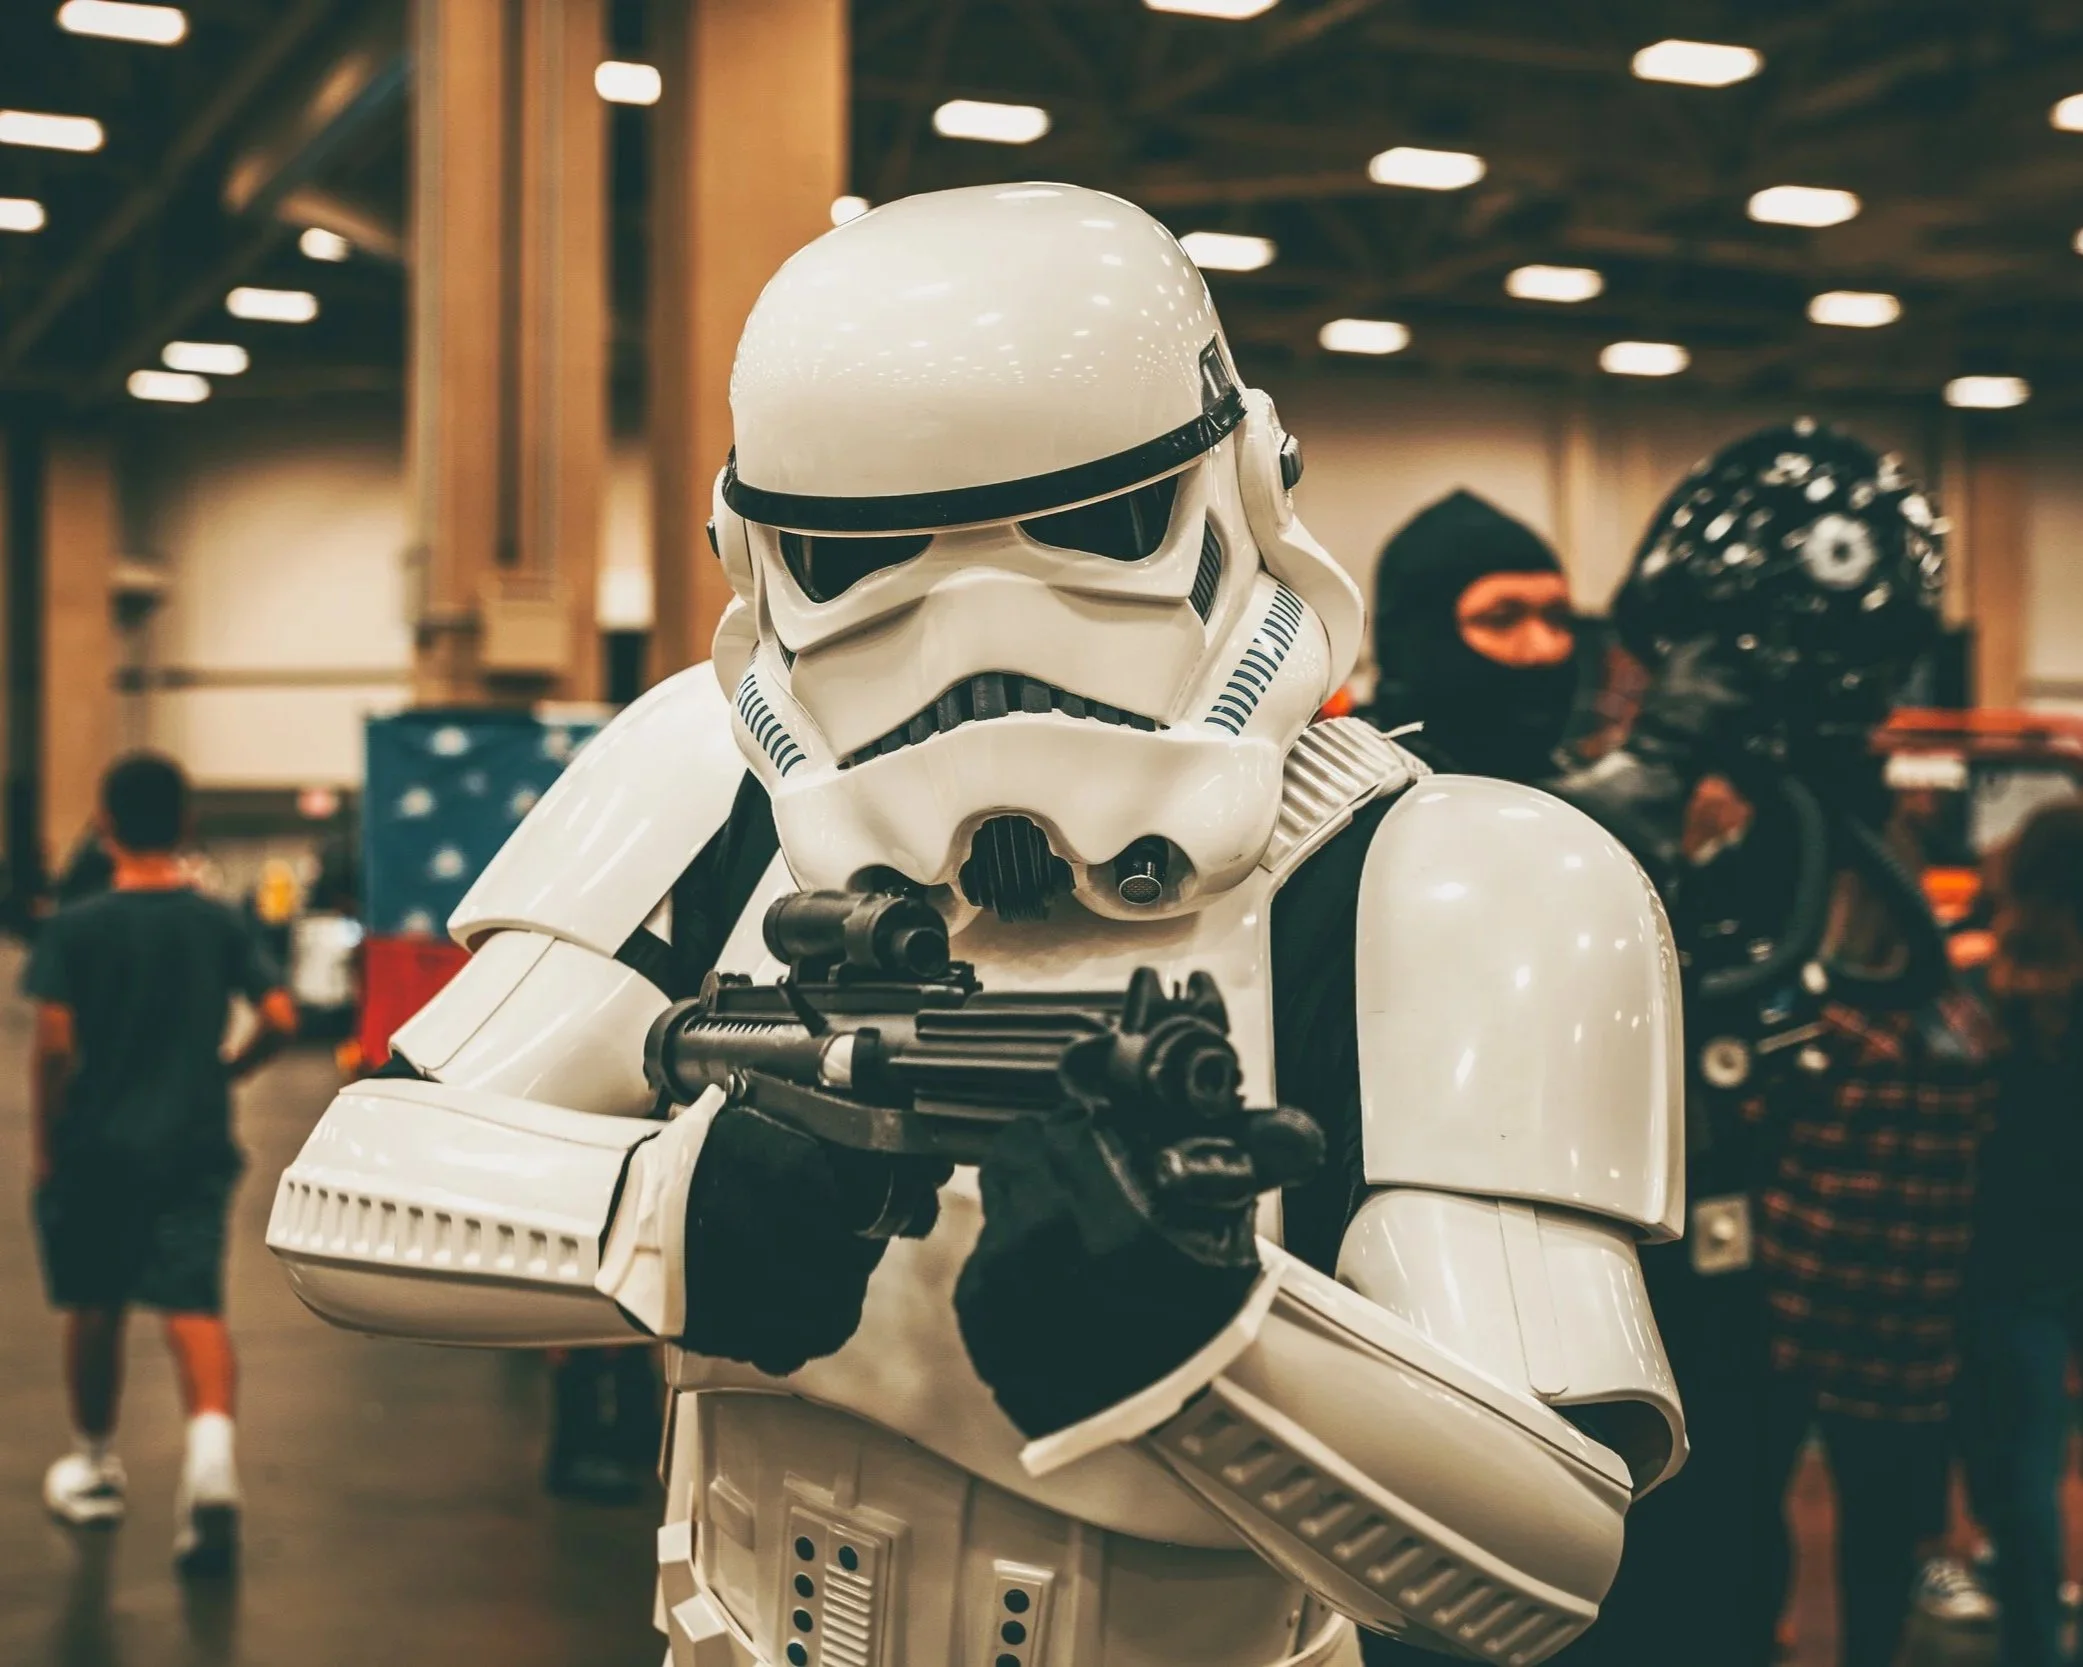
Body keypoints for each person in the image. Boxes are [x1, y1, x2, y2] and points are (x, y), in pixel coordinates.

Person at [264, 182, 1687, 1667]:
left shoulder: (1446, 875)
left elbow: (1545, 1548)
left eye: (1092, 527)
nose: (975, 647)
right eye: (858, 559)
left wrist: (1213, 1348)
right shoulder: (707, 775)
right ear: (755, 555)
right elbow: (347, 1186)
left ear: (1246, 489)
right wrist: (659, 1214)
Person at [27, 751, 297, 1575]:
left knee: (98, 1302)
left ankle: (96, 1466)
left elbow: (53, 1048)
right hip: (192, 1142)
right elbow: (281, 1014)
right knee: (193, 1304)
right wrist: (231, 1067)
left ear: (105, 823)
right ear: (183, 823)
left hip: (97, 1149)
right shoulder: (216, 920)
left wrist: (47, 1150)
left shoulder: (74, 929)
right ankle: (210, 1466)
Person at [1954, 799, 2083, 1667]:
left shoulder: (1974, 978)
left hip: (1992, 1253)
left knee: (2013, 1460)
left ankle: (2033, 1633)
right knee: (2036, 1447)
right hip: (2064, 1247)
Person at [1369, 489, 1578, 780]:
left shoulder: (1569, 786)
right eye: (1502, 619)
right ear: (1419, 641)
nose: (1543, 648)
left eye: (1557, 618)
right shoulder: (1357, 800)